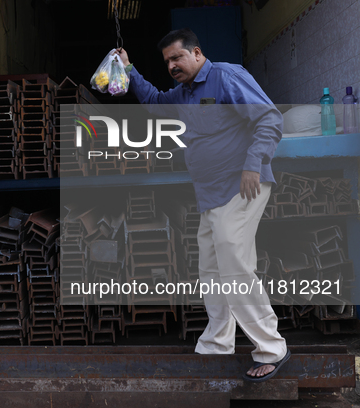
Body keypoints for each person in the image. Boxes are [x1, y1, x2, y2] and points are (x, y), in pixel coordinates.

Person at [115, 28, 290, 382]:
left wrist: (252, 164)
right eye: (167, 61)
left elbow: (269, 118)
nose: (172, 66)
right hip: (210, 195)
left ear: (196, 53)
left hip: (241, 187)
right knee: (211, 269)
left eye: (177, 57)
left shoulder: (226, 77)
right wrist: (129, 70)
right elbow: (154, 102)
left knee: (234, 266)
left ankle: (272, 348)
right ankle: (217, 343)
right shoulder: (184, 93)